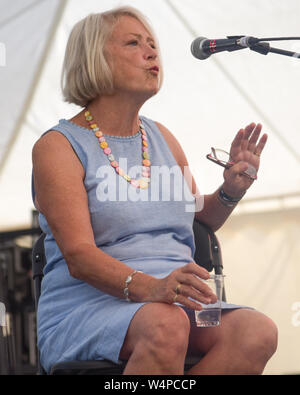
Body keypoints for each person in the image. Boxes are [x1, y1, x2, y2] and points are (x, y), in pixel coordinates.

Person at [32, 6, 277, 375]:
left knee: (257, 331)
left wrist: (231, 189)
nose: (151, 53)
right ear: (94, 59)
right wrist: (153, 289)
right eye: (133, 43)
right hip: (90, 308)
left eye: (153, 45)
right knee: (166, 326)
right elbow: (79, 256)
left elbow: (201, 215)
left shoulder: (162, 138)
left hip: (175, 301)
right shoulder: (59, 146)